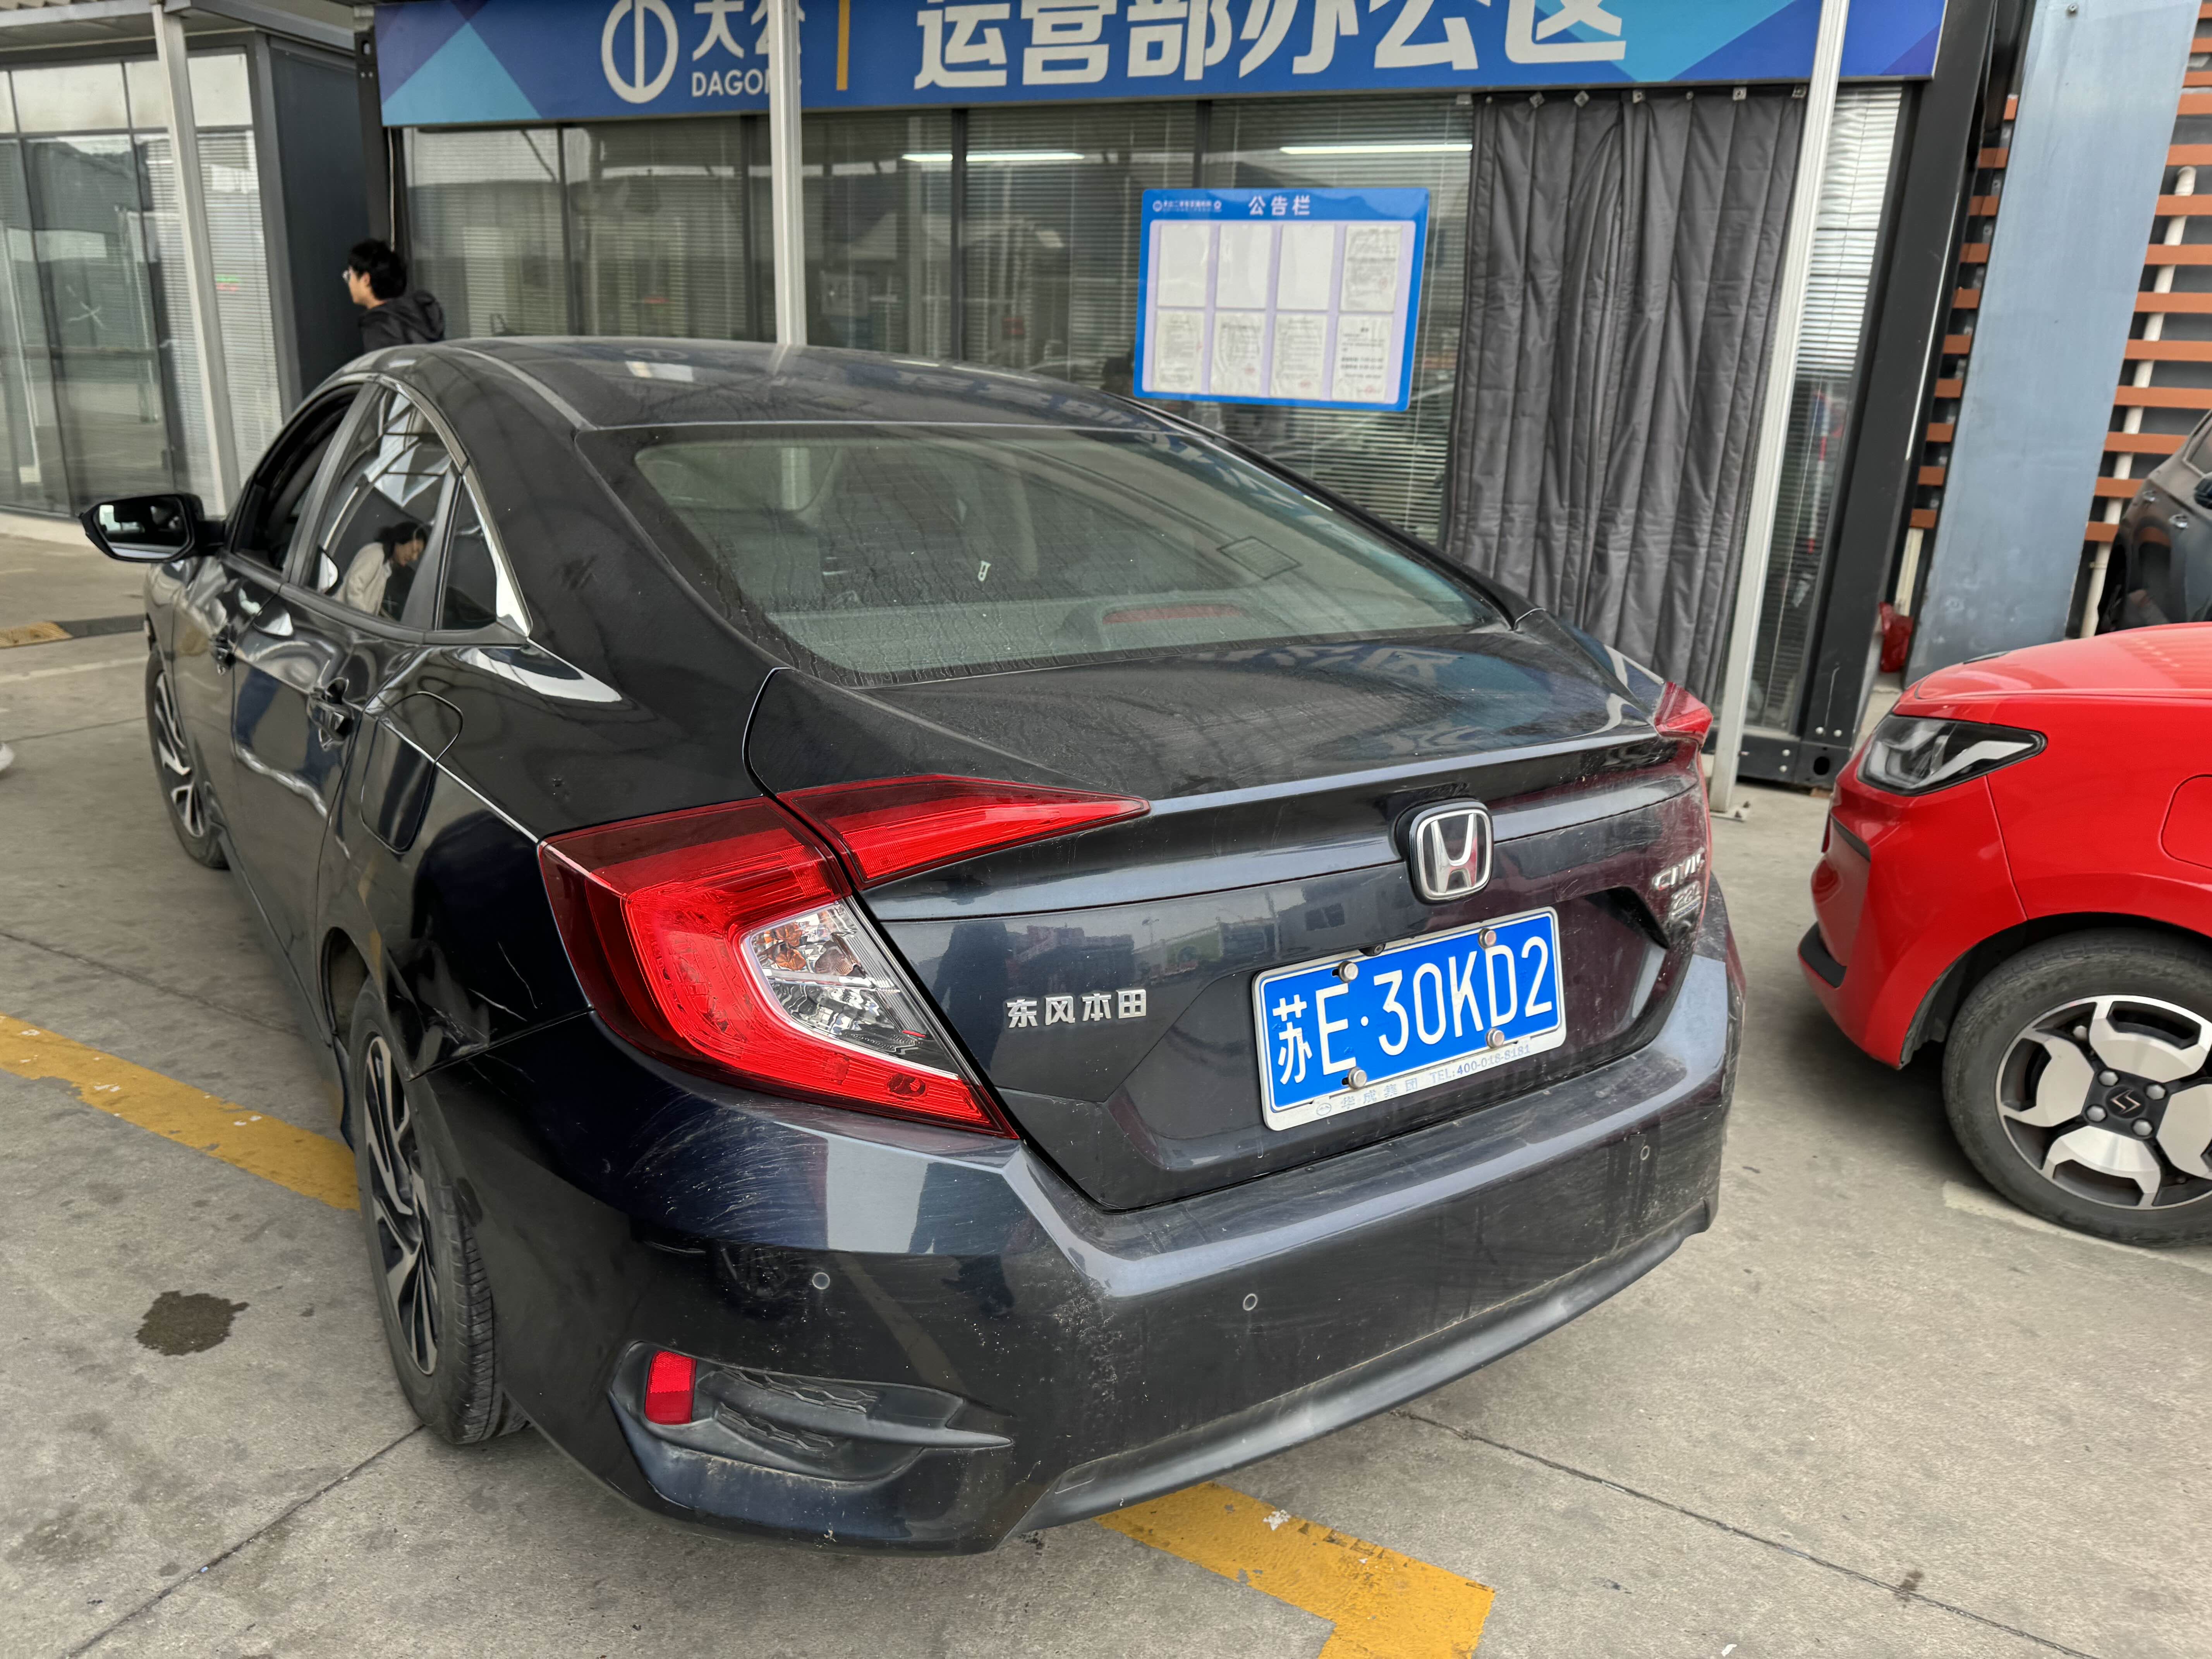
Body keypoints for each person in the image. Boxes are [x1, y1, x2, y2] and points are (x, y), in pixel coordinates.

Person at [345, 239, 445, 352]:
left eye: (349, 275)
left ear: (366, 279)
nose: (349, 282)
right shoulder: (423, 314)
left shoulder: (380, 328)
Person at [341, 520, 428, 618]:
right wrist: (364, 619)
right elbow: (354, 586)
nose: (414, 558)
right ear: (401, 540)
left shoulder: (385, 562)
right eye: (414, 550)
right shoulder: (376, 554)